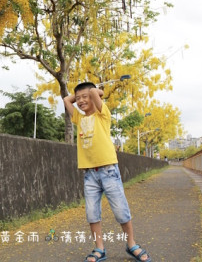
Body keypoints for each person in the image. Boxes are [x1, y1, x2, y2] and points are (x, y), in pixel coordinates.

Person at [64, 82, 151, 262]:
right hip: (89, 174)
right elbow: (66, 99)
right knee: (92, 213)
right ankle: (99, 249)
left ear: (95, 98)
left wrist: (94, 91)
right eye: (78, 99)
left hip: (109, 170)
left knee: (121, 211)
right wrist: (80, 94)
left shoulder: (102, 114)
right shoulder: (79, 119)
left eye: (85, 97)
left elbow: (96, 92)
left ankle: (131, 244)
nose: (80, 101)